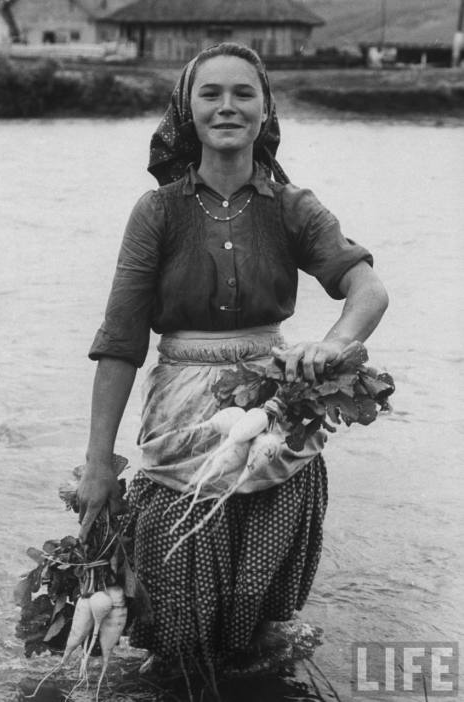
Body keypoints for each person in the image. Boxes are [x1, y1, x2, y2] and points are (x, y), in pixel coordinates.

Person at [77, 42, 388, 674]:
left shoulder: (293, 207)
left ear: (265, 108)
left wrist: (333, 344)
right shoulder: (157, 212)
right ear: (185, 111)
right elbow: (120, 343)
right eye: (210, 94)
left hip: (274, 414)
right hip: (180, 421)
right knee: (175, 607)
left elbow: (368, 289)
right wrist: (97, 464)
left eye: (243, 94)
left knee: (259, 619)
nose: (227, 107)